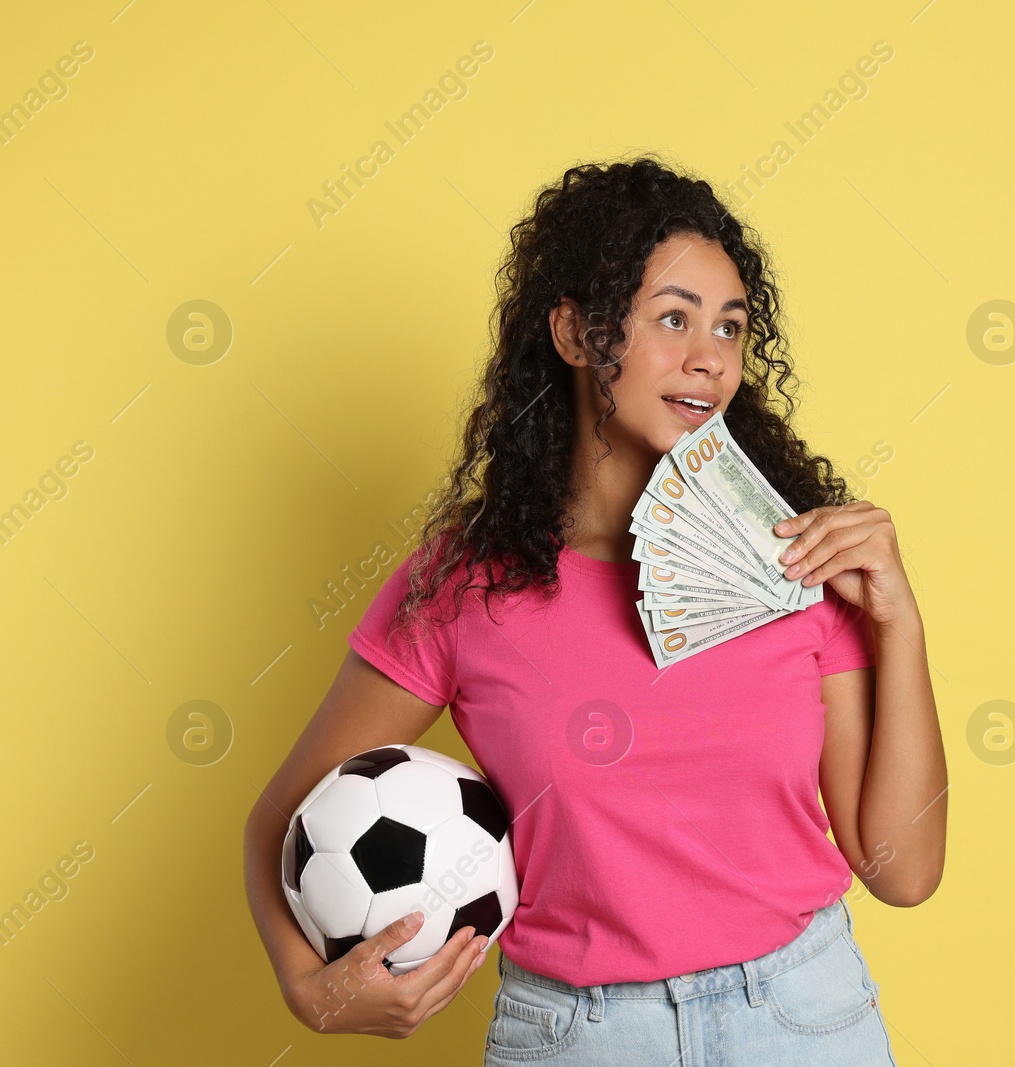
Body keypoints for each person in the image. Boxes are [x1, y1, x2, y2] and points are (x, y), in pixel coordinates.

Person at [243, 155, 947, 1064]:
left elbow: (905, 870)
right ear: (576, 334)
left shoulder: (794, 562)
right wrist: (311, 991)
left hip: (803, 1018)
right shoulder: (464, 585)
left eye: (730, 327)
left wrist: (901, 624)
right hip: (578, 1036)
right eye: (672, 318)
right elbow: (279, 816)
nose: (710, 356)